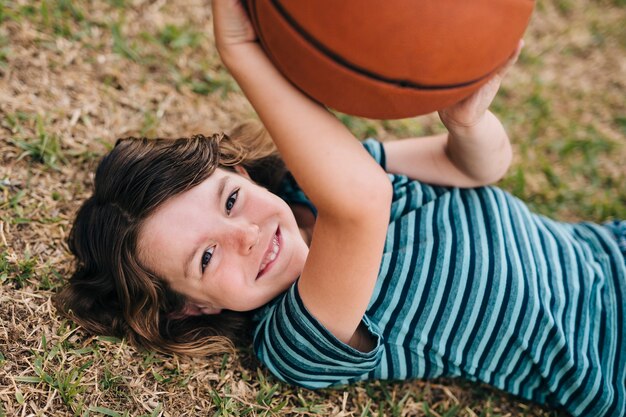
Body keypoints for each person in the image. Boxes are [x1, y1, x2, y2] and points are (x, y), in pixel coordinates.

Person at [56, 0, 625, 415]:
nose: (247, 234)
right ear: (190, 310)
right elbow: (363, 201)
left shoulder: (308, 186)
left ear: (242, 173)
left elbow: (475, 167)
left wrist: (468, 124)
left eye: (231, 199)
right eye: (206, 257)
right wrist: (243, 52)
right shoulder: (293, 339)